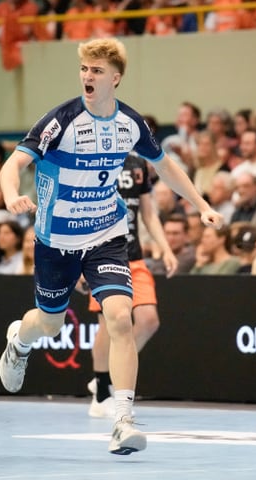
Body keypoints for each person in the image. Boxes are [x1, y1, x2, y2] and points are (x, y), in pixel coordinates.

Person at [0, 38, 222, 456]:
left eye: (96, 70)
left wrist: (201, 205)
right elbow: (14, 163)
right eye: (84, 68)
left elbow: (164, 165)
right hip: (57, 240)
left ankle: (122, 420)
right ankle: (20, 342)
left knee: (121, 319)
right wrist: (11, 194)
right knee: (49, 324)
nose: (87, 76)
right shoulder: (60, 120)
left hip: (106, 234)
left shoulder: (130, 124)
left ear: (114, 78)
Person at [85, 152, 178, 418]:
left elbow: (148, 213)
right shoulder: (93, 160)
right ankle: (102, 391)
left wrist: (166, 248)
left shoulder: (138, 165)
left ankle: (114, 372)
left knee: (148, 320)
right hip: (101, 257)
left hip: (134, 257)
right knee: (109, 324)